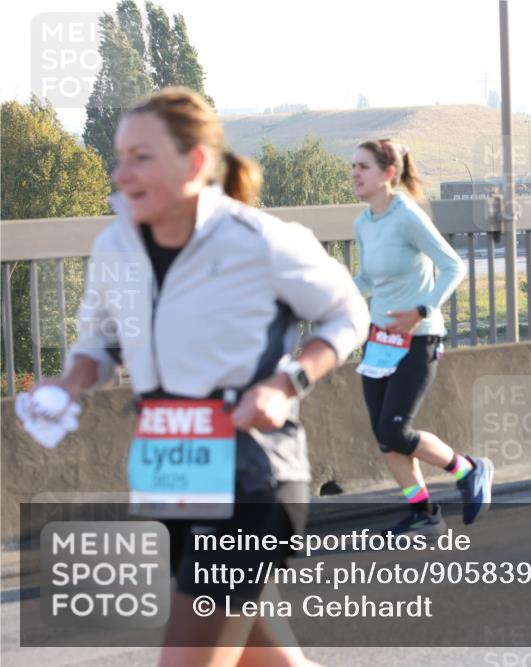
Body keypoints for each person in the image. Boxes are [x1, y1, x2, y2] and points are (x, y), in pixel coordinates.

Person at [26, 87, 369, 667]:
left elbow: (348, 313)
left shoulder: (258, 241)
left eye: (142, 157)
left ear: (196, 163)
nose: (122, 172)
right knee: (264, 655)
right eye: (120, 156)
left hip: (252, 474)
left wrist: (287, 384)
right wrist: (69, 384)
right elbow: (100, 341)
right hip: (173, 471)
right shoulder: (116, 247)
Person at [351, 138, 493, 536]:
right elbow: (367, 278)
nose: (354, 174)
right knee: (385, 437)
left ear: (388, 174)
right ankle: (424, 513)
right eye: (353, 166)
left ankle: (468, 469)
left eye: (363, 167)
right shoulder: (364, 222)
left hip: (419, 339)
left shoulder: (407, 216)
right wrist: (335, 295)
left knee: (397, 429)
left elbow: (453, 266)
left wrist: (422, 311)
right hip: (380, 340)